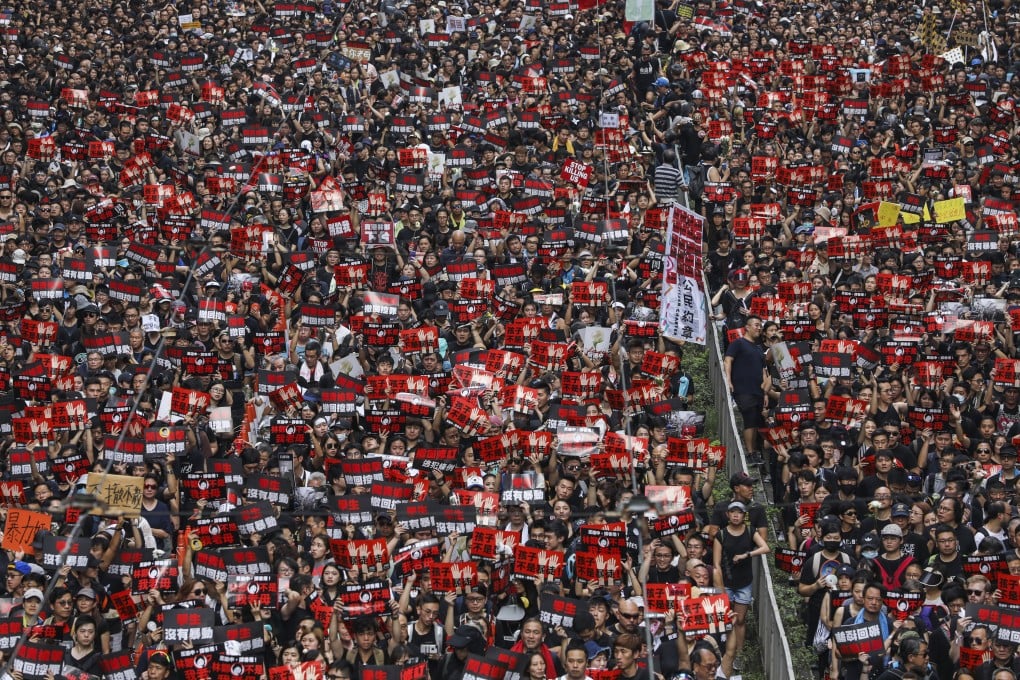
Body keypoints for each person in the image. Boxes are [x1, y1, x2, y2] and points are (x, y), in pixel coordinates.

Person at [724, 315, 767, 463]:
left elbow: (763, 370)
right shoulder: (738, 343)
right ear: (747, 327)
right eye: (756, 324)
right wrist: (728, 380)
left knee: (755, 421)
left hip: (758, 390)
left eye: (760, 325)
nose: (759, 328)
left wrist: (766, 391)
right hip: (743, 389)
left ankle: (754, 451)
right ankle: (750, 453)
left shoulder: (758, 348)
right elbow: (728, 360)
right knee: (749, 419)